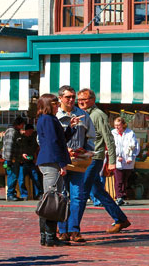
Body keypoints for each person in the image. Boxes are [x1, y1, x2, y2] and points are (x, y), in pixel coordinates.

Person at [76, 87, 132, 233]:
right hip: (86, 157)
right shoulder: (82, 114)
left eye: (85, 99)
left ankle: (72, 227)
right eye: (80, 99)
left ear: (92, 100)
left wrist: (112, 161)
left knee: (82, 192)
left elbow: (109, 138)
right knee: (98, 191)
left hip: (95, 157)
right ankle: (120, 219)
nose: (81, 102)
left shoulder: (98, 115)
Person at [54, 85, 95, 243]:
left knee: (77, 196)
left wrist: (88, 151)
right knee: (62, 196)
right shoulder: (55, 116)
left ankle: (74, 230)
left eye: (73, 97)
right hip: (61, 163)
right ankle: (62, 230)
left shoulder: (83, 115)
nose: (71, 100)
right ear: (60, 98)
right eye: (68, 97)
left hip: (78, 162)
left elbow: (91, 137)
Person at [34, 93, 70, 247]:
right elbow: (53, 143)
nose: (58, 106)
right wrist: (62, 163)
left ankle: (46, 236)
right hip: (51, 162)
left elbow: (60, 139)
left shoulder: (48, 119)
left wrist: (71, 128)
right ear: (49, 105)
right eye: (55, 103)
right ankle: (49, 236)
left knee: (49, 197)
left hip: (50, 160)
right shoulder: (48, 119)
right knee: (52, 200)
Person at [112, 117, 139, 204]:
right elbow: (111, 146)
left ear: (123, 125)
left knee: (125, 180)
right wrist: (117, 156)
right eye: (115, 125)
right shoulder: (112, 133)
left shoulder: (130, 133)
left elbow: (134, 145)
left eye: (118, 125)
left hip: (128, 162)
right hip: (117, 161)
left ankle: (123, 197)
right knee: (118, 180)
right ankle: (118, 197)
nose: (116, 127)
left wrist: (130, 157)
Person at [2, 119, 28, 201]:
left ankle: (12, 193)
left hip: (14, 159)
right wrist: (9, 159)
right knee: (12, 176)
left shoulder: (15, 132)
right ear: (18, 124)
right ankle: (10, 194)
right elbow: (9, 146)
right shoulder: (12, 132)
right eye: (22, 125)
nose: (23, 127)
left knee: (13, 176)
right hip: (12, 159)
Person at [19, 124, 42, 199]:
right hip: (22, 162)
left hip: (31, 161)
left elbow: (36, 149)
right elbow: (17, 150)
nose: (31, 133)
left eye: (32, 131)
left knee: (35, 178)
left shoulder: (33, 139)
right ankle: (24, 195)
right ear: (26, 131)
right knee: (21, 179)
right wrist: (21, 155)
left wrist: (35, 159)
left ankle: (38, 194)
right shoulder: (21, 139)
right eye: (30, 131)